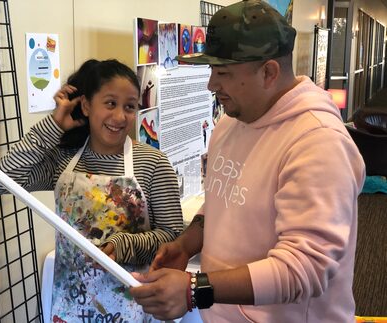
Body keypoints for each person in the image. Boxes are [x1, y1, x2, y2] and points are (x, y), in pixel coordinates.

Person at [129, 1, 365, 322]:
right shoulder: (231, 122)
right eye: (212, 70)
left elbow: (305, 269)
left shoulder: (318, 141)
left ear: (269, 71)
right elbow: (222, 200)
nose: (212, 85)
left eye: (223, 72)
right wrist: (187, 244)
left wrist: (194, 289)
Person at [0, 59, 183, 322]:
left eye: (129, 106)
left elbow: (174, 239)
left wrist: (124, 244)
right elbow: (1, 180)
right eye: (110, 103)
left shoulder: (152, 163)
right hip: (70, 307)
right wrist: (53, 125)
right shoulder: (63, 161)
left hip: (133, 308)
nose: (119, 117)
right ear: (86, 105)